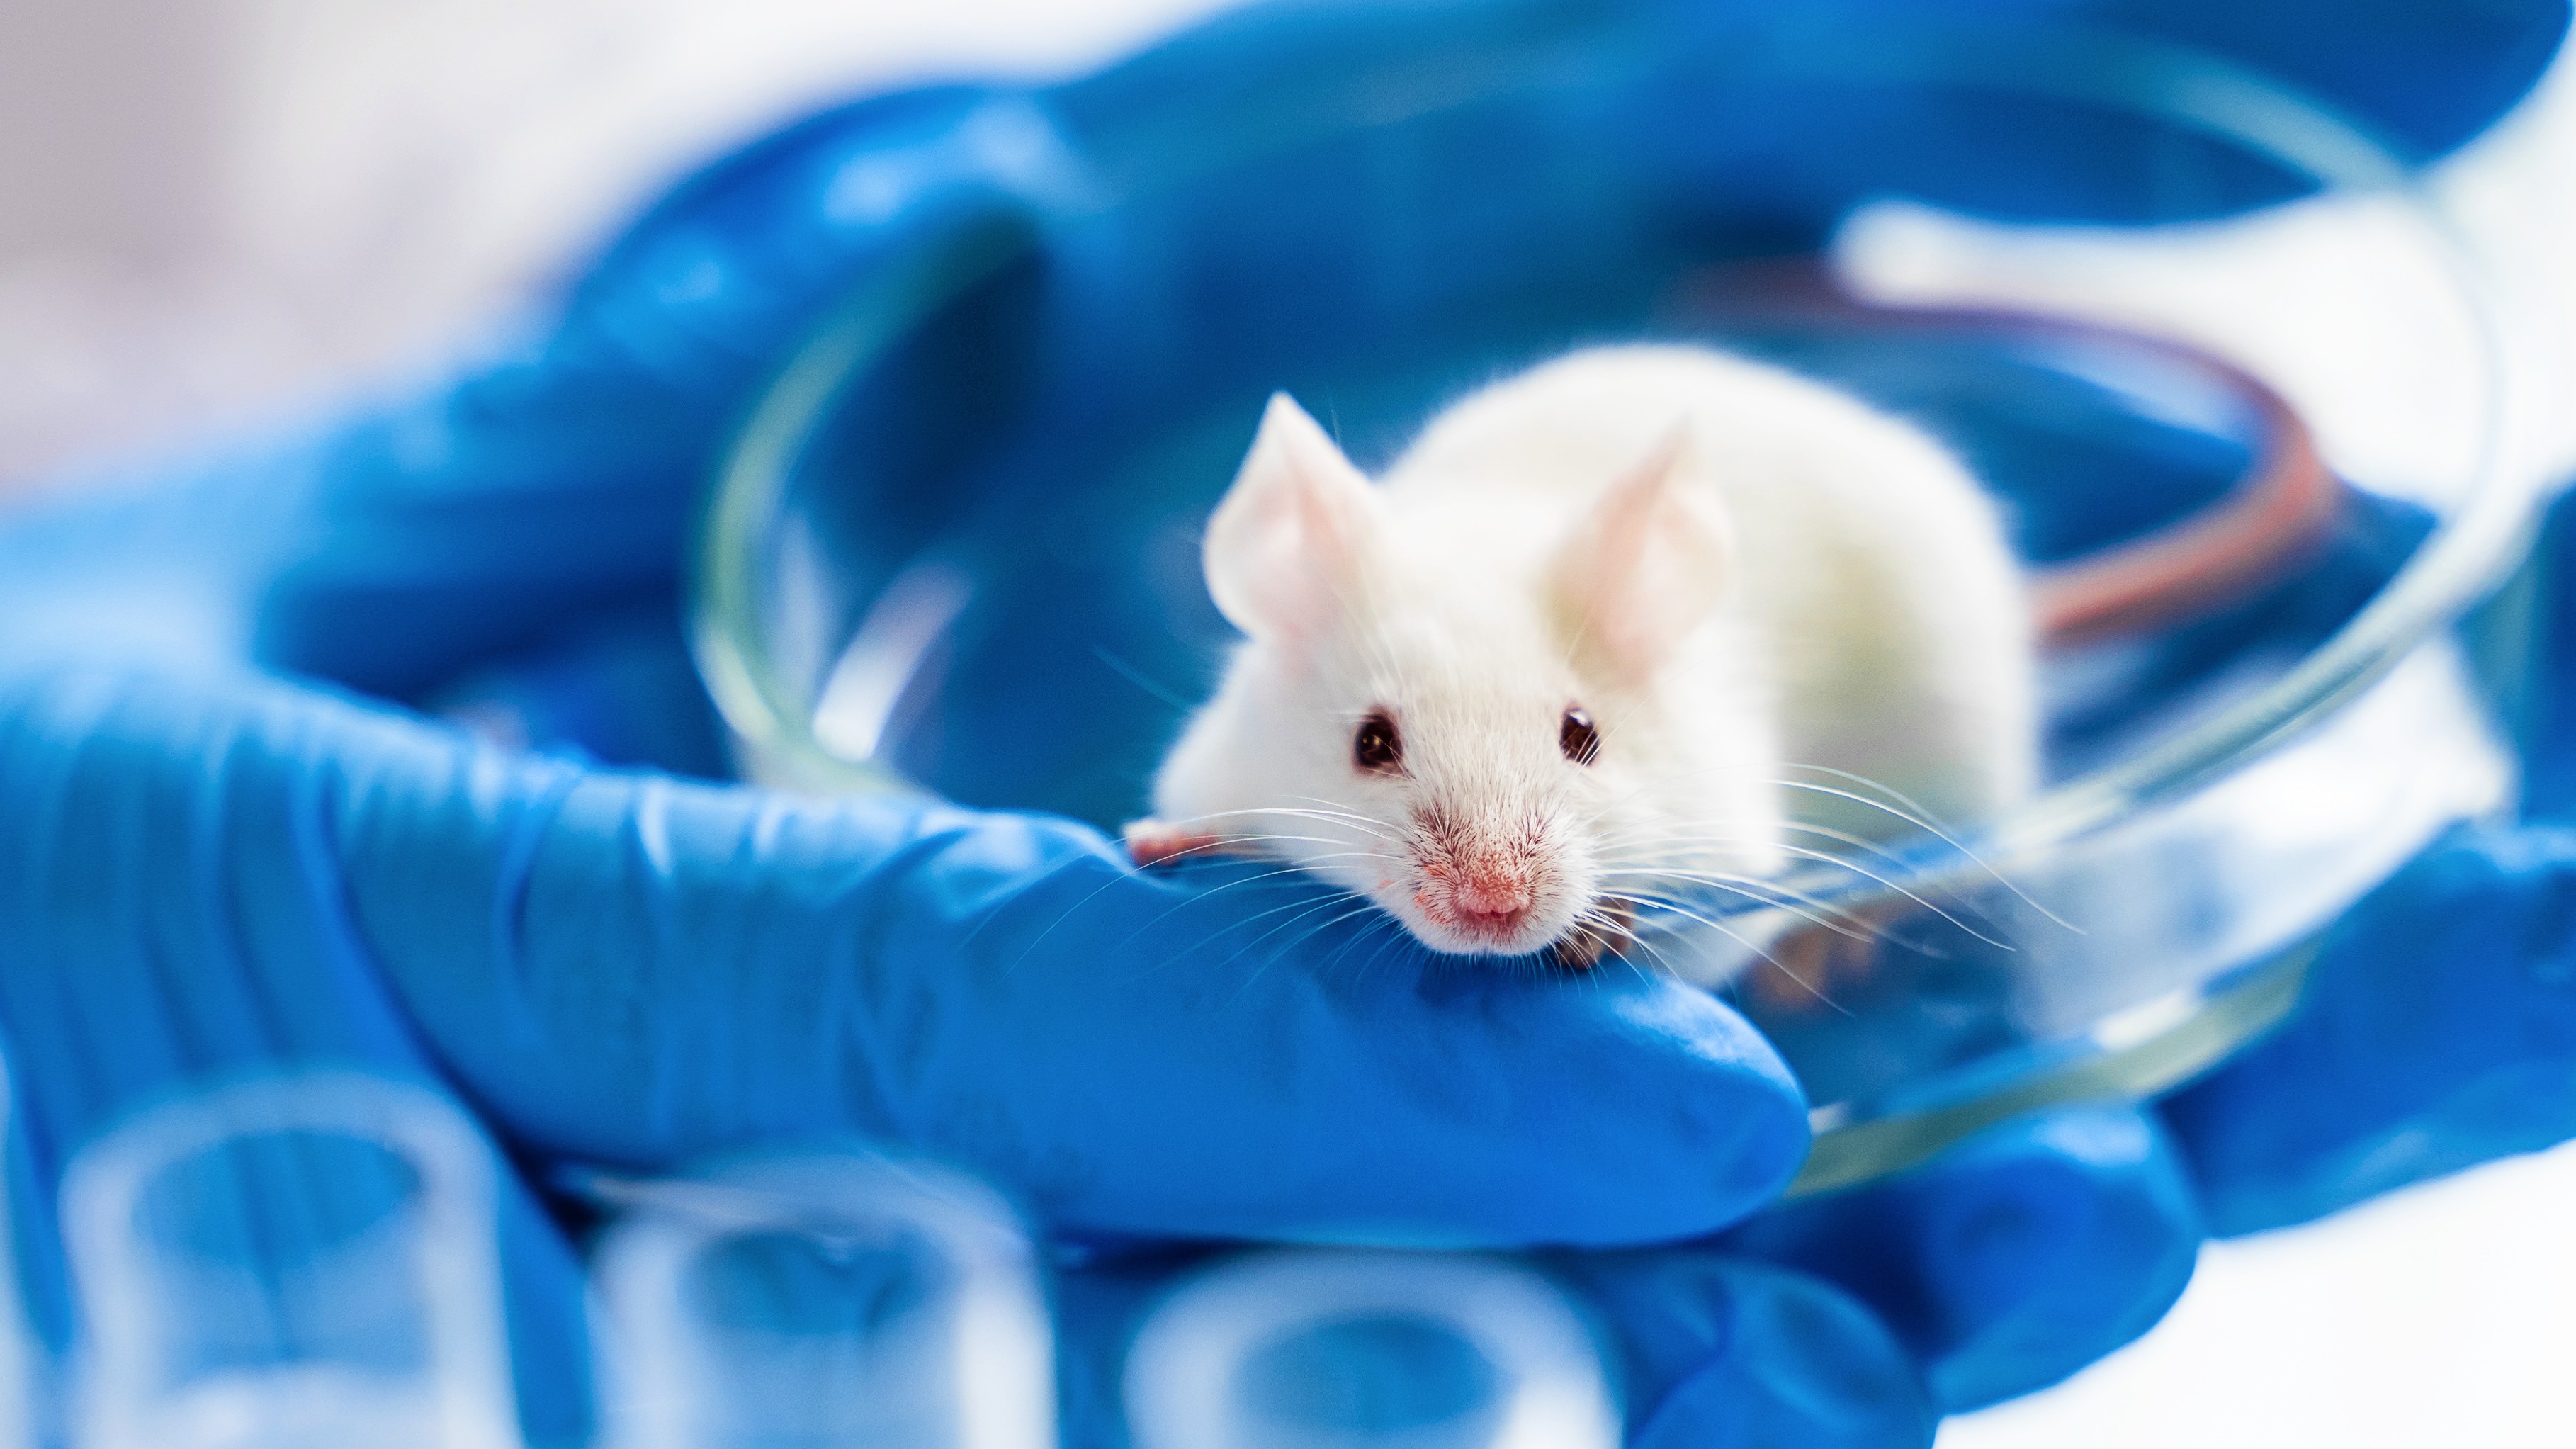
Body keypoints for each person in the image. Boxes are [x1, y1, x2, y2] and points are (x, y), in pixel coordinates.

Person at [1, 1, 2570, 1443]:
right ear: (1263, 611)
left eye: (1556, 785)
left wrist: (1809, 919)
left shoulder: (1680, 643)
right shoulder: (1310, 666)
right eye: (1378, 778)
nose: (1486, 868)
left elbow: (1736, 807)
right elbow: (1201, 813)